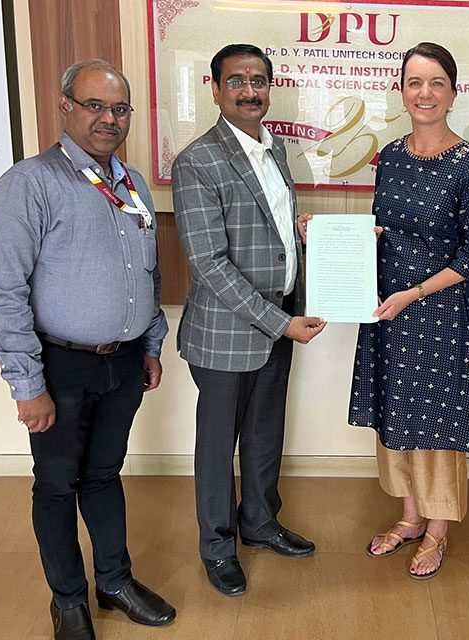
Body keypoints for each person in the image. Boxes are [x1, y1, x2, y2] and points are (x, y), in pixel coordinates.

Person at [0, 59, 176, 640]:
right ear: (64, 105)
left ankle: (114, 583)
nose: (108, 119)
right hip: (59, 366)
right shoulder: (28, 184)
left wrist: (150, 341)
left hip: (125, 361)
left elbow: (148, 272)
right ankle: (68, 601)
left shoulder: (133, 183)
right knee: (58, 485)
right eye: (94, 105)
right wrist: (27, 385)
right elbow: (3, 293)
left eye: (119, 109)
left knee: (105, 475)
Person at [171, 43, 326, 598]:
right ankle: (217, 546)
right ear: (214, 89)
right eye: (237, 80)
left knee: (264, 434)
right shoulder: (197, 161)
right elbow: (209, 264)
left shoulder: (274, 150)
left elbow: (274, 236)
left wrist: (305, 244)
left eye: (258, 81)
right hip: (227, 333)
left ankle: (259, 524)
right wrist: (278, 322)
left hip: (279, 319)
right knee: (217, 444)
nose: (249, 90)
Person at [341, 42, 469, 579]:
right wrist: (345, 239)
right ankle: (408, 517)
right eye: (413, 82)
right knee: (396, 417)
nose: (423, 93)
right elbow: (385, 230)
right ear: (401, 90)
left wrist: (416, 292)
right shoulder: (392, 156)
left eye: (435, 83)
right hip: (386, 310)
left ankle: (437, 530)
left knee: (438, 425)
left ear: (453, 92)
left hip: (436, 311)